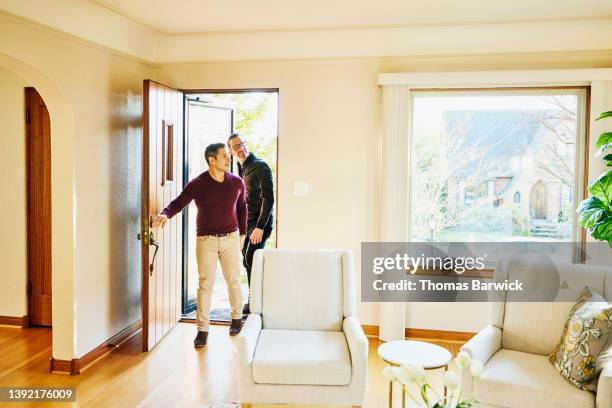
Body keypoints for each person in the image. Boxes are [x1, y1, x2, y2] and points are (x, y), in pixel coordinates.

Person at [152, 143, 246, 347]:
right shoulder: (198, 183)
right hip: (206, 240)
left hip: (230, 238)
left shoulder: (237, 182)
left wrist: (243, 234)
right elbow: (178, 202)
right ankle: (202, 330)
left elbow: (242, 209)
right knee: (205, 284)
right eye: (224, 156)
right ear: (212, 160)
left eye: (228, 155)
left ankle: (237, 319)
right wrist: (165, 214)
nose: (228, 159)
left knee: (233, 280)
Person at [227, 133, 274, 315]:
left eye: (242, 144)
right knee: (247, 261)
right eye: (236, 146)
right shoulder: (240, 169)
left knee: (251, 258)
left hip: (260, 223)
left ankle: (256, 302)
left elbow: (268, 199)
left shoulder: (260, 167)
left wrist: (260, 227)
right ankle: (256, 299)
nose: (240, 148)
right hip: (247, 223)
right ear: (231, 151)